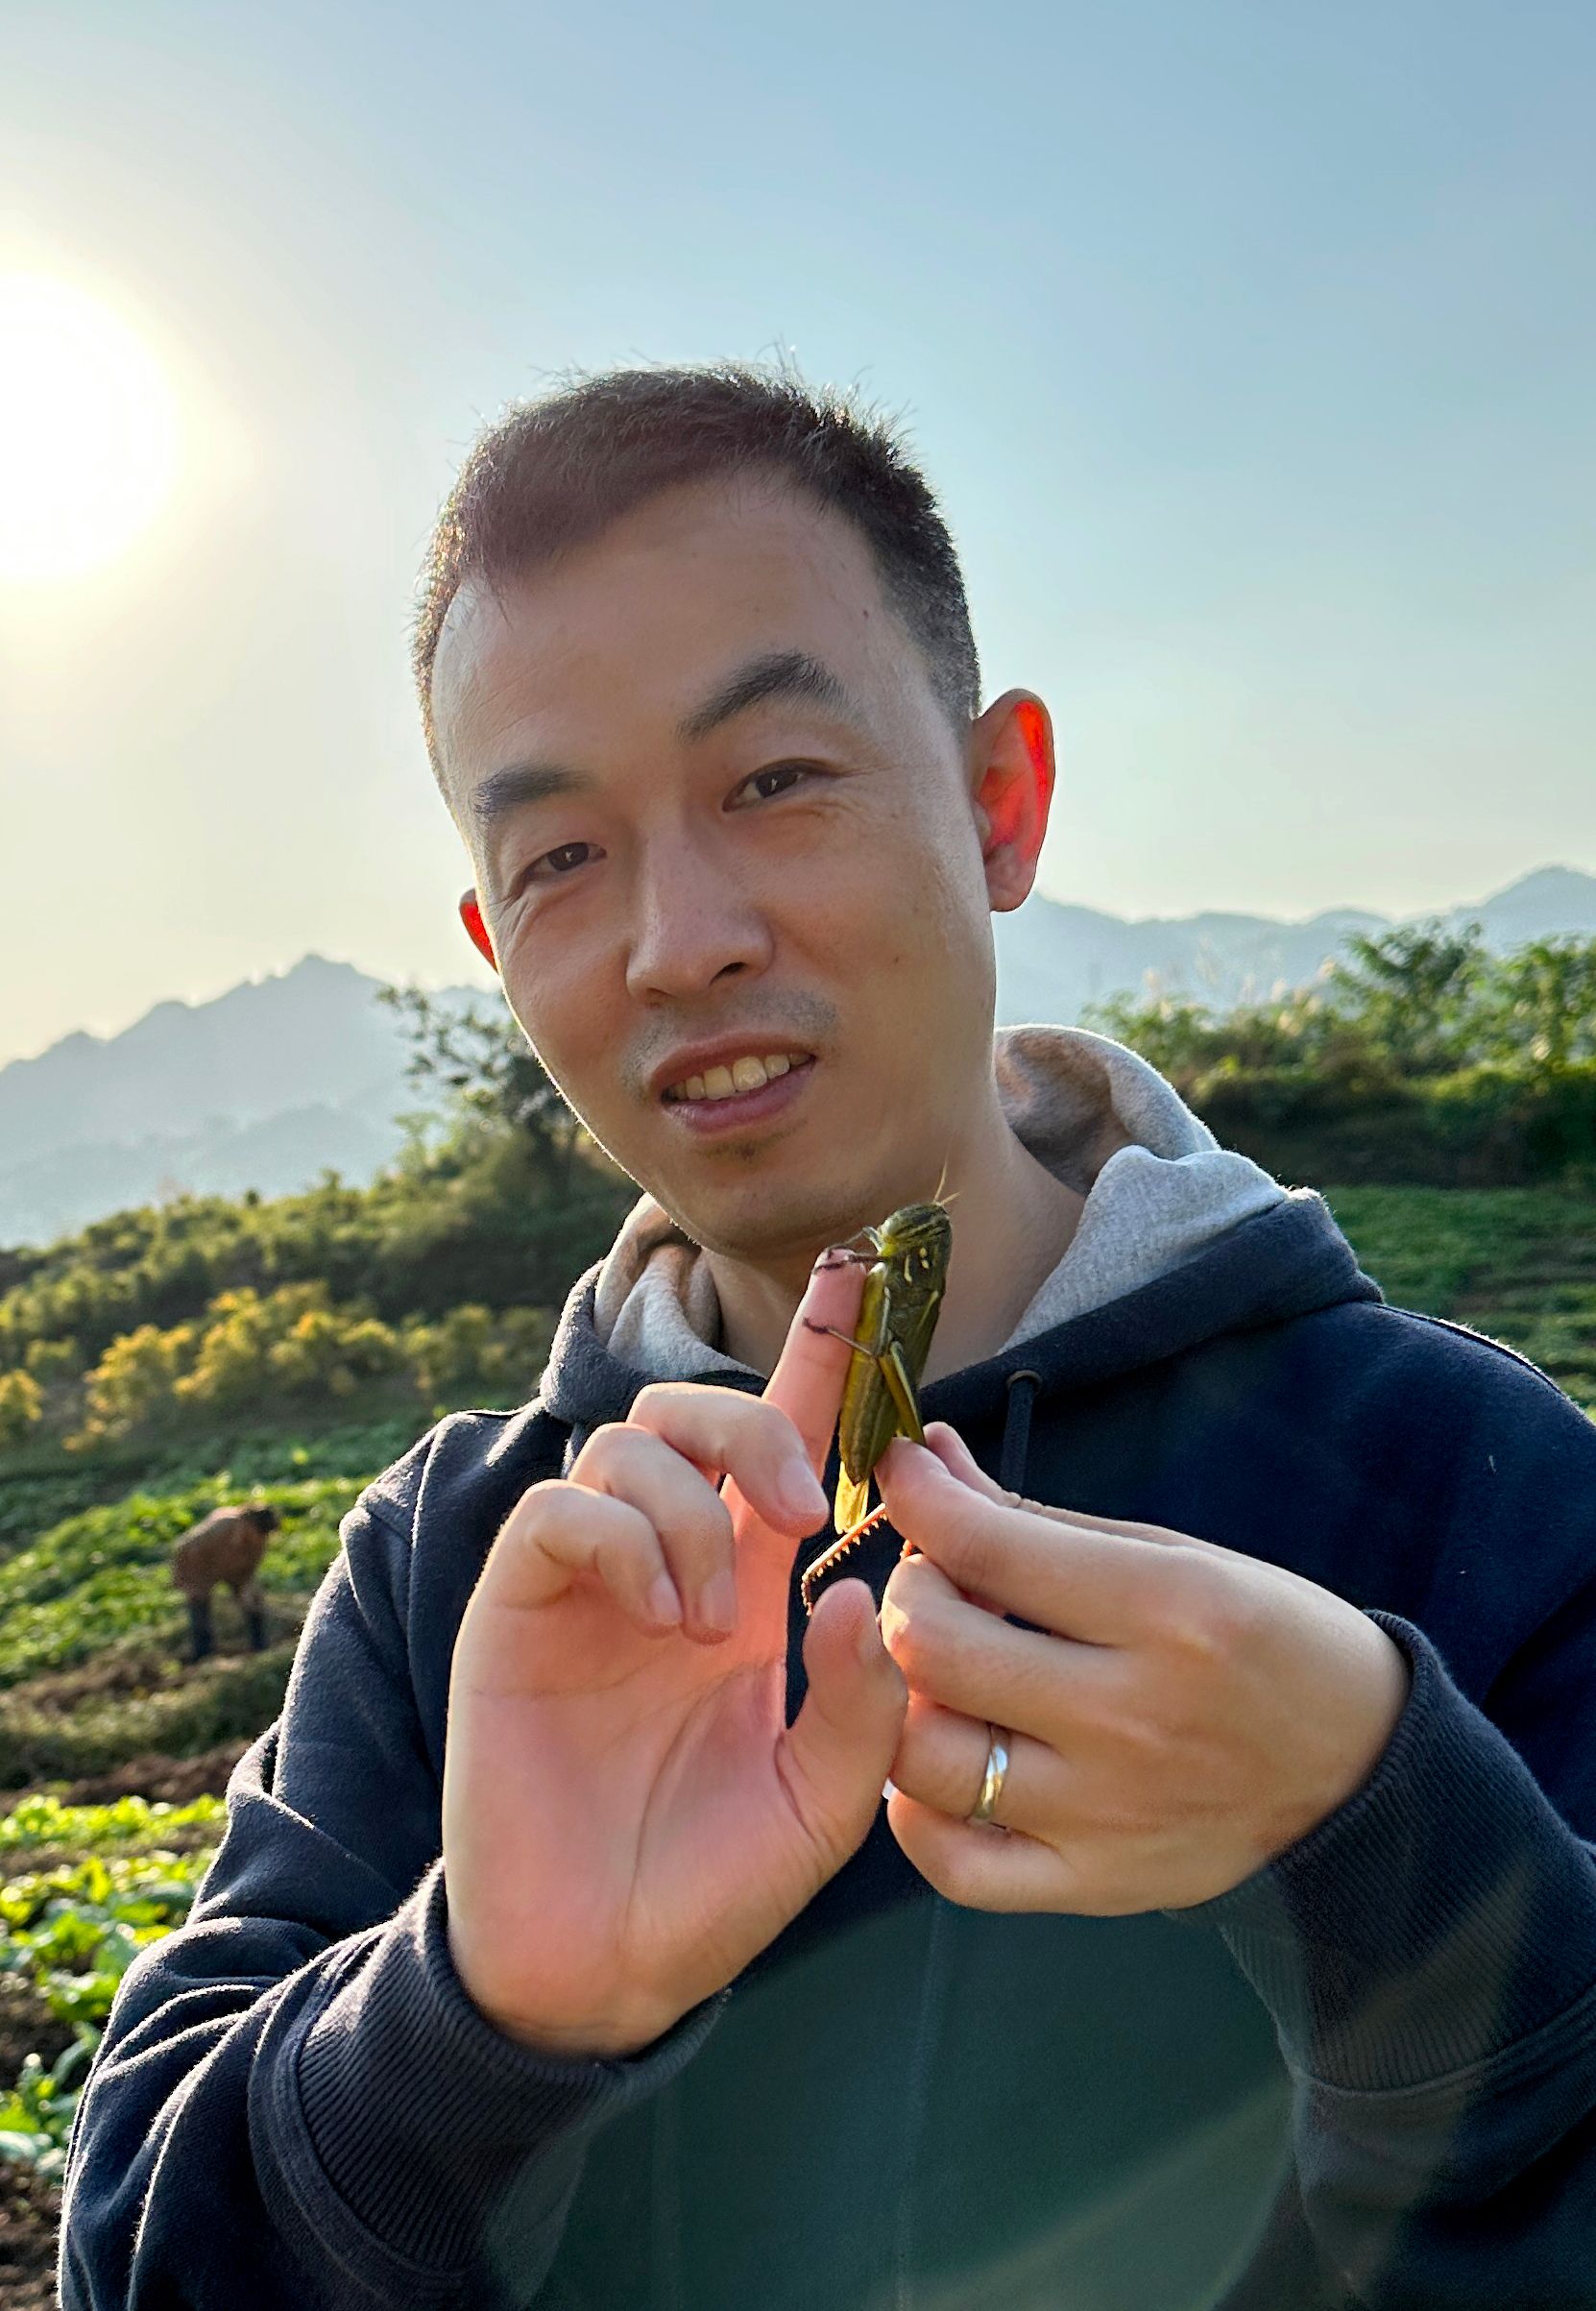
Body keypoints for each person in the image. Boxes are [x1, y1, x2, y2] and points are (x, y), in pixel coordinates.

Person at [60, 365, 1596, 2310]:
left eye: (775, 779)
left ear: (998, 803)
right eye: (559, 858)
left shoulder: (1470, 1485)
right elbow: (143, 2258)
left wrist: (1398, 1847)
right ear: (496, 949)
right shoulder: (452, 1571)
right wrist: (468, 2019)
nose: (677, 940)